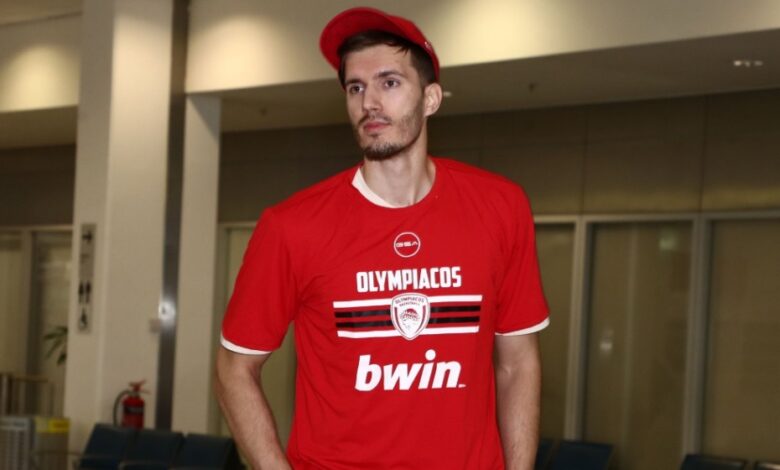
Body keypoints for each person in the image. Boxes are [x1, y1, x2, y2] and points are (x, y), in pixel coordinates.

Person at [215, 7, 549, 470]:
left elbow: (517, 363)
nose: (369, 102)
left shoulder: (500, 208)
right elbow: (234, 369)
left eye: (389, 82)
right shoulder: (292, 226)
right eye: (356, 87)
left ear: (431, 99)